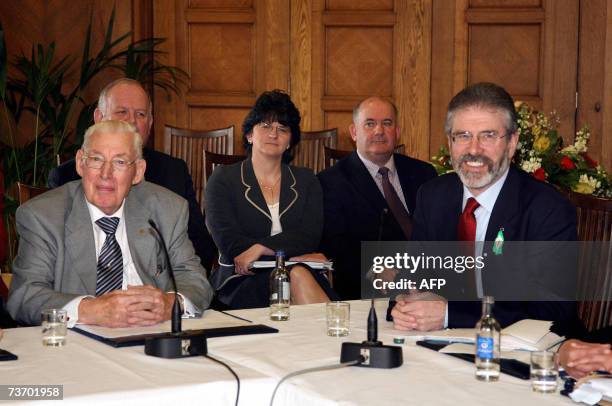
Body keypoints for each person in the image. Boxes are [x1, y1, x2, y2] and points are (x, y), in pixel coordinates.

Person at [390, 82, 582, 335]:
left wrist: (449, 314)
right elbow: (414, 275)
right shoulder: (433, 196)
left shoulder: (548, 210)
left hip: (522, 355)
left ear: (512, 143)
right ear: (449, 142)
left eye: (488, 136)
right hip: (442, 346)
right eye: (463, 136)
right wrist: (404, 303)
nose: (473, 150)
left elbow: (553, 311)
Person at [8, 120, 213, 327]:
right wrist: (91, 310)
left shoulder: (167, 209)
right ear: (81, 163)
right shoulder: (43, 216)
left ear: (138, 172)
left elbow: (195, 280)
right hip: (75, 343)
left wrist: (170, 304)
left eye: (120, 162)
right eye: (96, 159)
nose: (106, 174)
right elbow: (25, 296)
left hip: (149, 335)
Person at [47, 78, 217, 271]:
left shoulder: (174, 172)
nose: (132, 122)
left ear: (150, 123)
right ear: (98, 117)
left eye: (141, 114)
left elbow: (200, 245)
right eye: (122, 112)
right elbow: (58, 256)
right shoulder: (66, 176)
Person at [205, 90, 336, 309]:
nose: (273, 134)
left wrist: (261, 247)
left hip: (300, 272)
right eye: (265, 126)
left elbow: (309, 236)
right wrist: (287, 255)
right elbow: (229, 243)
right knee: (297, 275)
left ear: (289, 141)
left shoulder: (306, 180)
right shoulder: (224, 179)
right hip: (243, 279)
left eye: (282, 129)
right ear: (249, 135)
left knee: (297, 275)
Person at [317, 97, 437, 300]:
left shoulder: (424, 173)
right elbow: (334, 245)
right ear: (354, 132)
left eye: (387, 123)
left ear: (397, 132)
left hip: (431, 277)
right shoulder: (330, 181)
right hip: (371, 287)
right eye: (370, 124)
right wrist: (373, 268)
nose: (379, 131)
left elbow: (439, 230)